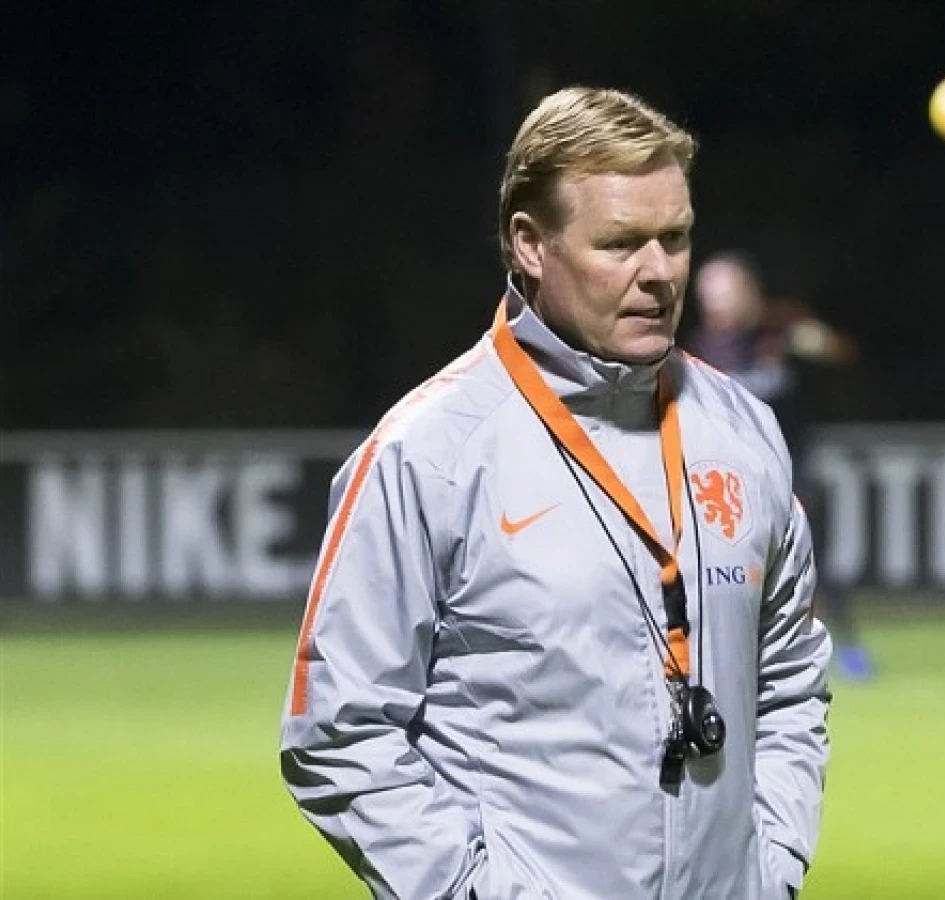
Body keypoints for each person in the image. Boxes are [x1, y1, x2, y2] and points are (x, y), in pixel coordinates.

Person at [281, 87, 831, 900]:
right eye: (620, 244)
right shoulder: (427, 454)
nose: (658, 274)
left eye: (674, 239)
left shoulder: (744, 432)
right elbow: (338, 730)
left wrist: (769, 867)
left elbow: (788, 679)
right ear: (530, 246)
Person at [688, 253, 876, 682]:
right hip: (732, 486)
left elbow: (841, 354)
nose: (716, 303)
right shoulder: (702, 352)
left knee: (815, 564)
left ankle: (848, 646)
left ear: (746, 291)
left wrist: (813, 342)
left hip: (791, 473)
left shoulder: (782, 329)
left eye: (724, 291)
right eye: (708, 294)